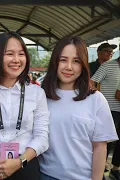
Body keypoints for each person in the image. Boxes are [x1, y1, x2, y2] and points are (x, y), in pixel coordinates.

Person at [0, 31, 49, 180]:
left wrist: (20, 162)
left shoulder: (37, 93)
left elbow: (42, 137)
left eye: (21, 54)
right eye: (10, 54)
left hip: (25, 163)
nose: (16, 60)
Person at [39, 36, 118, 180]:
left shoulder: (96, 100)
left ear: (83, 65)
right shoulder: (41, 97)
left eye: (76, 61)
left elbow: (100, 147)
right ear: (55, 62)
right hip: (45, 175)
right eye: (63, 60)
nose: (68, 67)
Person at [91, 49, 120, 180]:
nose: (110, 53)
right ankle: (100, 169)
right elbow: (92, 82)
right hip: (109, 110)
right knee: (105, 142)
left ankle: (116, 167)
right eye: (107, 51)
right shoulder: (107, 65)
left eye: (111, 51)